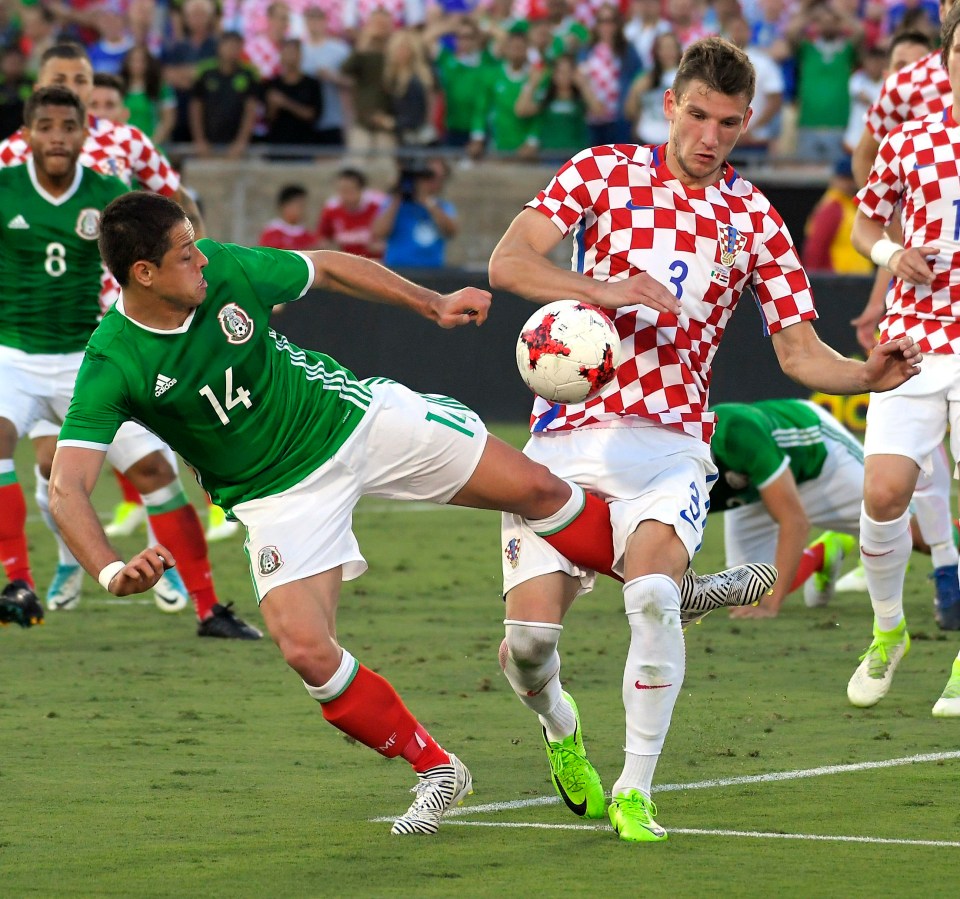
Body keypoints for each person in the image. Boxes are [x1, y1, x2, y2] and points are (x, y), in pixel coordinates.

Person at [50, 190, 627, 834]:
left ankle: (664, 584)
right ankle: (437, 769)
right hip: (277, 496)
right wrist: (107, 571)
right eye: (187, 256)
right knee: (305, 649)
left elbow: (323, 265)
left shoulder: (225, 267)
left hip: (350, 418)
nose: (203, 263)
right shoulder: (113, 361)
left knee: (537, 488)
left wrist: (430, 302)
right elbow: (67, 487)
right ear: (144, 274)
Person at [486, 36, 921, 843]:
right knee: (528, 651)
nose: (709, 136)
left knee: (652, 596)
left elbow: (797, 349)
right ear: (669, 107)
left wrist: (867, 374)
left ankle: (636, 788)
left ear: (747, 122)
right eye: (696, 116)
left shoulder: (752, 216)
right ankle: (560, 728)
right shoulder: (604, 170)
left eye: (727, 122)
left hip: (675, 441)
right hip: (562, 443)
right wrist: (603, 289)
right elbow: (509, 263)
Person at [0, 44, 253, 636]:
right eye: (46, 127)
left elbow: (169, 225)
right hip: (13, 356)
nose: (58, 137)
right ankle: (19, 579)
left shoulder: (108, 194)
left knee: (156, 476)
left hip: (91, 359)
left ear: (87, 131)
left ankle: (208, 607)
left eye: (70, 126)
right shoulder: (3, 184)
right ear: (30, 135)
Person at [848, 1, 960, 716]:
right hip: (916, 337)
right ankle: (890, 628)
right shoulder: (913, 140)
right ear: (945, 61)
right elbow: (864, 222)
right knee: (883, 493)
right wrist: (892, 251)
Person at [708, 398, 943, 618]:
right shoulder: (673, 472)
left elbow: (795, 521)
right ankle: (822, 554)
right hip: (756, 491)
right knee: (748, 593)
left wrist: (771, 606)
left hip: (819, 462)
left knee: (916, 532)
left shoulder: (735, 432)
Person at [373, 157, 458, 269]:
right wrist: (398, 195)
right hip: (397, 269)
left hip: (432, 271)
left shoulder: (442, 206)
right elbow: (378, 233)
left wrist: (427, 201)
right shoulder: (394, 204)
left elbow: (451, 231)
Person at [189, 31, 260, 160]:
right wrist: (200, 140)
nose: (232, 51)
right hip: (208, 143)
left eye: (237, 47)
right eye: (229, 46)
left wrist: (241, 142)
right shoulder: (205, 72)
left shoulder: (249, 74)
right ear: (220, 47)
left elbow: (250, 111)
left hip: (236, 146)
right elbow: (196, 107)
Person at [801, 155, 874, 275]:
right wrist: (816, 282)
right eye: (844, 178)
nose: (848, 183)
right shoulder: (832, 207)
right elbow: (815, 247)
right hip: (837, 281)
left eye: (851, 178)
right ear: (835, 179)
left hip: (852, 281)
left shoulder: (849, 205)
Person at [315, 167, 386, 259]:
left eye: (349, 190)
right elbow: (322, 239)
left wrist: (384, 247)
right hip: (346, 264)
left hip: (377, 263)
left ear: (361, 189)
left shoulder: (379, 205)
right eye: (341, 190)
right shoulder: (331, 208)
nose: (345, 195)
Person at [259, 184, 317, 251]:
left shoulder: (308, 236)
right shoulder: (272, 234)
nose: (302, 210)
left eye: (304, 205)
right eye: (299, 205)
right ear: (285, 206)